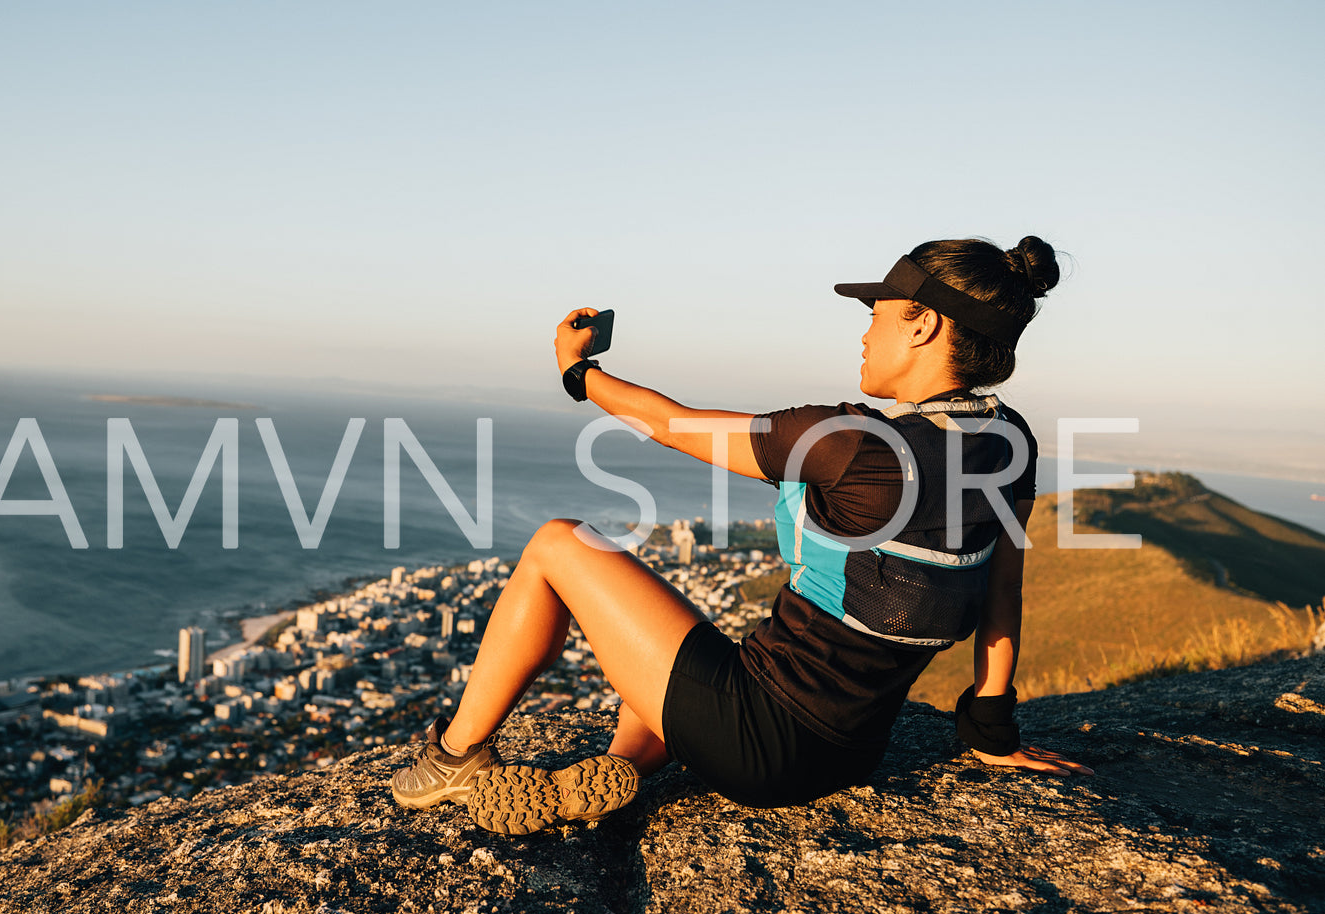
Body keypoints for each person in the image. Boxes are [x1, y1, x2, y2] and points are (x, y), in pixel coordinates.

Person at [392, 236, 1094, 835]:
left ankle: (454, 760)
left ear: (921, 327)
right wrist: (990, 730)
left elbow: (670, 423)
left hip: (754, 740)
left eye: (874, 316)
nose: (862, 334)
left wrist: (578, 372)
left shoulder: (848, 443)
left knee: (557, 542)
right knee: (670, 638)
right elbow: (1003, 582)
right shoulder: (1008, 440)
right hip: (849, 751)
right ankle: (623, 766)